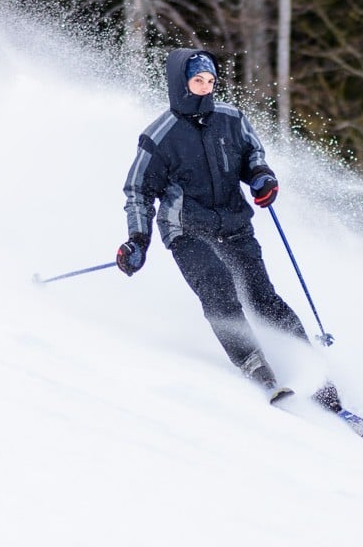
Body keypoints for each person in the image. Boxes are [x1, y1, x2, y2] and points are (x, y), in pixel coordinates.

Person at [116, 48, 342, 412]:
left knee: (262, 295)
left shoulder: (231, 119)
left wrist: (261, 177)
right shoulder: (159, 137)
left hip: (234, 224)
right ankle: (254, 363)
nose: (205, 89)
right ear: (180, 84)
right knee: (218, 289)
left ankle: (316, 376)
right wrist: (137, 240)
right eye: (197, 81)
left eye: (210, 81)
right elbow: (138, 192)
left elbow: (252, 155)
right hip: (186, 230)